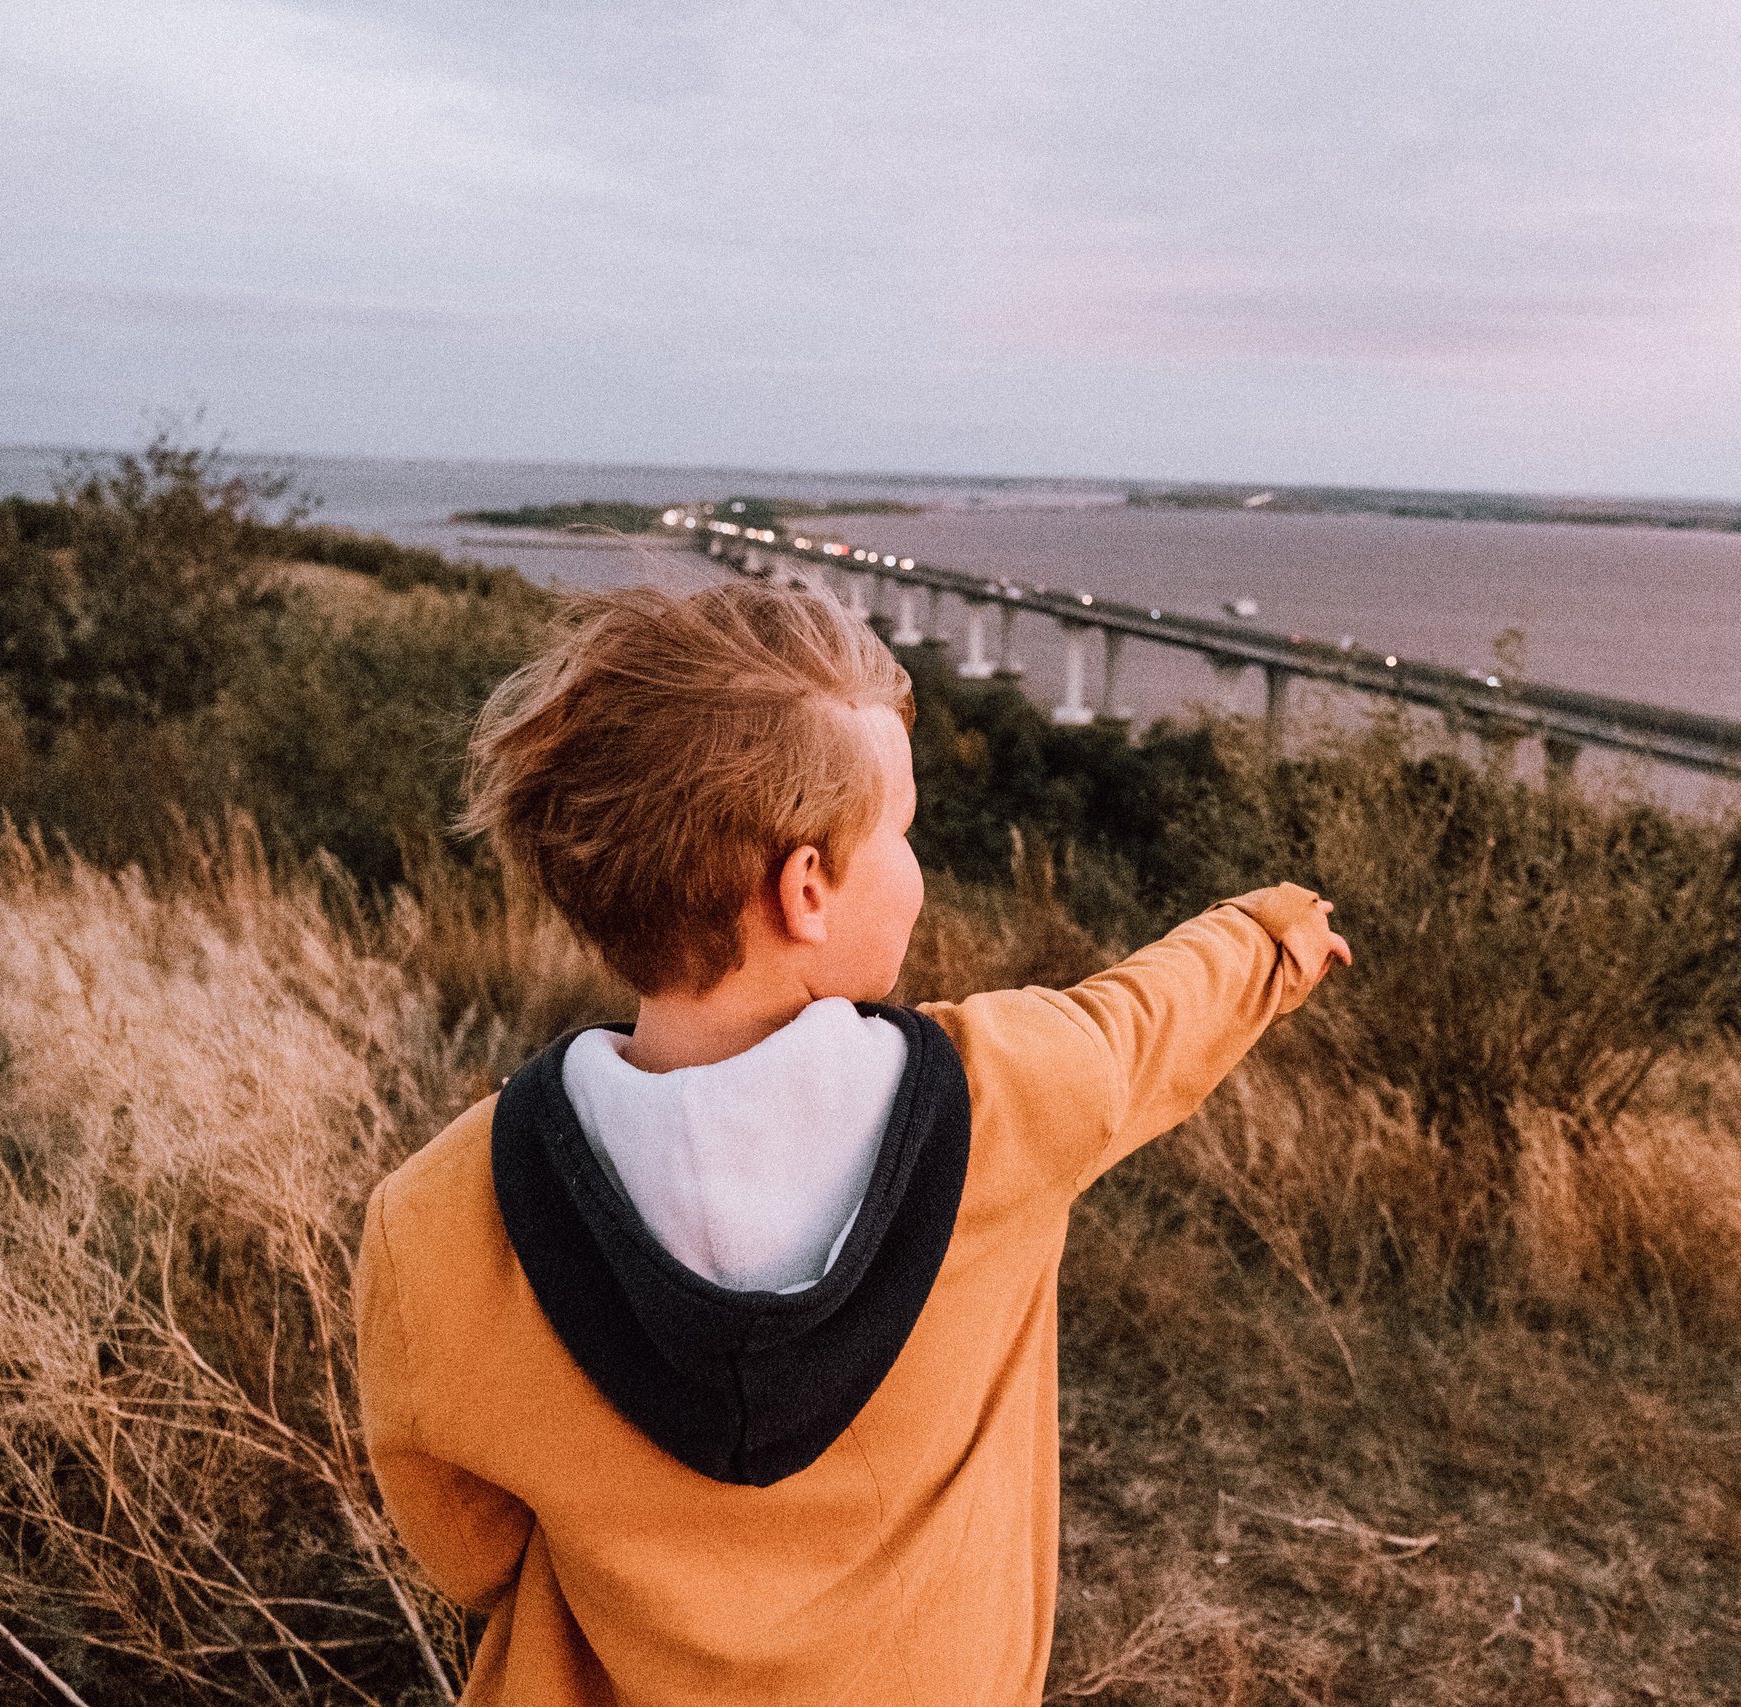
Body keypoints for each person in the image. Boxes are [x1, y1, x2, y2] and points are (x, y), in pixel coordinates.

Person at [354, 579, 1350, 1704]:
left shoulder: (435, 1218)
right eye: (906, 832)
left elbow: (470, 1549)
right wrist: (1272, 937)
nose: (920, 870)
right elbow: (1146, 1019)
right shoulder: (1006, 1099)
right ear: (807, 888)